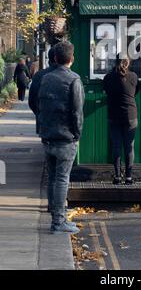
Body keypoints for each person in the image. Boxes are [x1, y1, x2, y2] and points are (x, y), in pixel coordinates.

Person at [38, 41, 85, 234]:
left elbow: (40, 105)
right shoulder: (74, 80)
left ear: (55, 58)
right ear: (71, 59)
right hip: (65, 137)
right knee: (62, 179)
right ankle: (58, 222)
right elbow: (77, 112)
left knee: (52, 178)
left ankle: (55, 215)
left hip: (48, 135)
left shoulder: (46, 79)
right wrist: (77, 134)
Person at [103, 54, 139, 185]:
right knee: (129, 147)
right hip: (130, 115)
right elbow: (135, 91)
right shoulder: (134, 76)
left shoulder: (108, 77)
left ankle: (117, 177)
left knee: (116, 146)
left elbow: (106, 90)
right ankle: (129, 177)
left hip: (114, 115)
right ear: (128, 63)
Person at [28, 46, 57, 133]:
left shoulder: (39, 75)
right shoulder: (72, 77)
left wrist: (39, 115)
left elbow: (32, 101)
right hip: (64, 130)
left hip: (43, 124)